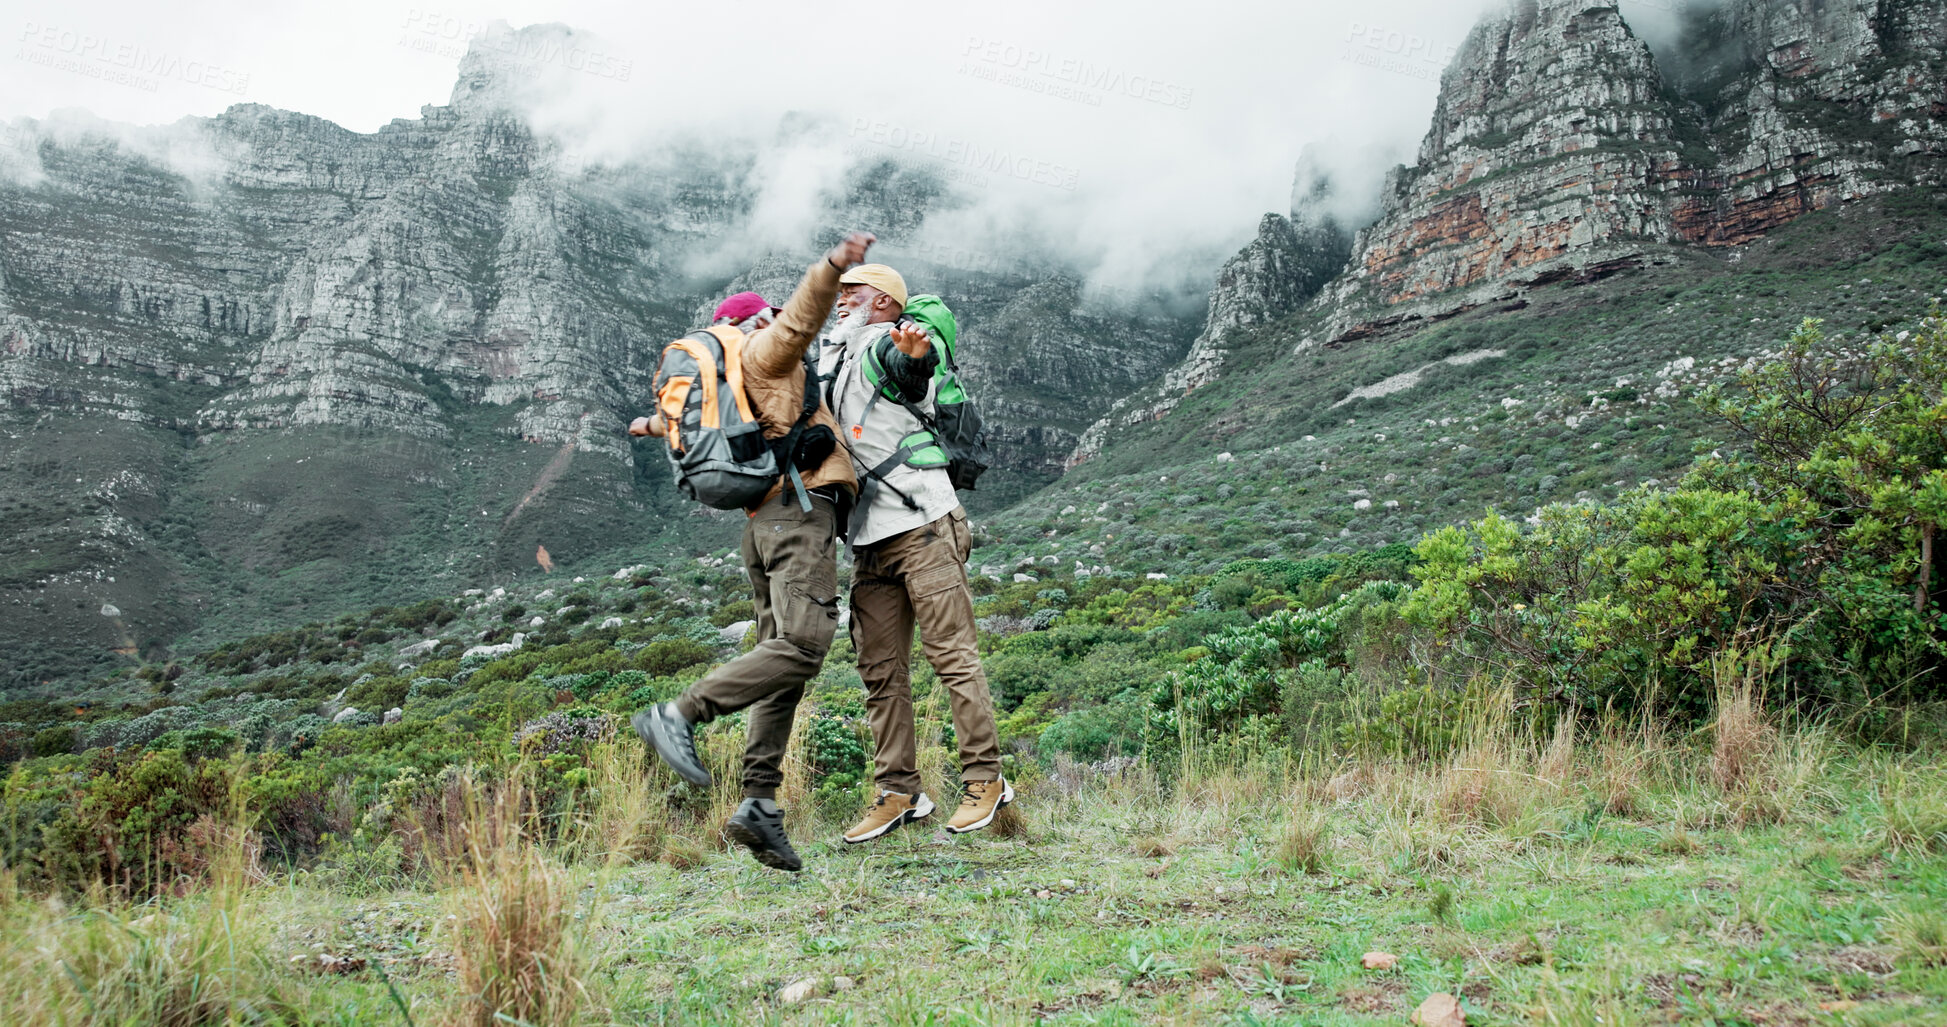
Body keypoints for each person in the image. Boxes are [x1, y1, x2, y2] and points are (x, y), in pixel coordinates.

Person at [629, 231, 876, 872]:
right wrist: (832, 267)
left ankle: (760, 808)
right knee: (802, 647)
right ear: (751, 324)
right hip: (798, 513)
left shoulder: (729, 381)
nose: (776, 325)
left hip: (764, 521)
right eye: (765, 319)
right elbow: (800, 320)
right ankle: (679, 714)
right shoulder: (764, 353)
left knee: (781, 663)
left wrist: (652, 424)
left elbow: (675, 422)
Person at [819, 263, 1013, 842]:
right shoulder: (836, 357)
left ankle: (986, 779)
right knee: (879, 671)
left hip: (925, 524)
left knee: (952, 657)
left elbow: (911, 371)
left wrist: (916, 354)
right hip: (869, 541)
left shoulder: (885, 343)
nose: (840, 299)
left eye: (851, 292)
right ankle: (899, 792)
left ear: (881, 301)